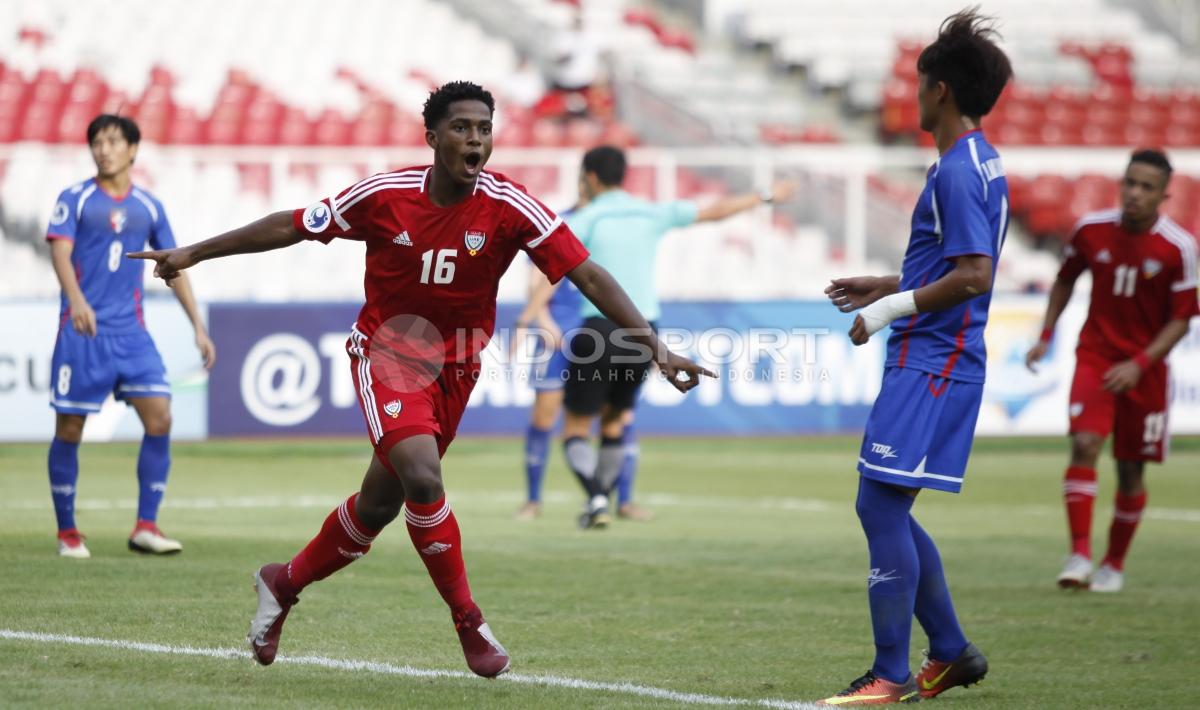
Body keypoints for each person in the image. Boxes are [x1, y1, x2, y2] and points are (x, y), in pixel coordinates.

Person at [130, 81, 713, 678]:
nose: (476, 139)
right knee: (422, 474)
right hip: (388, 351)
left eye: (484, 129)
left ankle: (282, 583)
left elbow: (586, 274)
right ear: (433, 138)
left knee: (378, 508)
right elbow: (293, 226)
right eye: (462, 128)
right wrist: (195, 253)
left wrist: (656, 347)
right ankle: (469, 621)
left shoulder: (512, 205)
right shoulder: (385, 194)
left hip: (457, 366)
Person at [818, 10, 1011, 704]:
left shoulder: (959, 173)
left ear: (942, 93)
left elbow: (974, 276)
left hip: (933, 361)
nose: (914, 92)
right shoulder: (979, 163)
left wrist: (886, 310)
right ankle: (952, 652)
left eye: (920, 82)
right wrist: (889, 281)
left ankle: (891, 674)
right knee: (888, 504)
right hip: (936, 356)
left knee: (879, 504)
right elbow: (951, 262)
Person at [531, 146, 793, 529]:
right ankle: (602, 499)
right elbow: (714, 211)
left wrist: (534, 313)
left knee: (574, 428)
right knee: (615, 423)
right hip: (644, 333)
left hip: (599, 330)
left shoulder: (586, 217)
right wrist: (766, 196)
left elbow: (550, 266)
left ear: (589, 177)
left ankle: (597, 497)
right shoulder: (651, 212)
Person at [1026, 149, 1197, 593]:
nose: (1135, 194)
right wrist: (1045, 335)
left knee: (1130, 471)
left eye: (1146, 187)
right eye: (1130, 183)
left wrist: (1140, 364)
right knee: (1084, 444)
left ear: (1164, 195)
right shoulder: (1090, 231)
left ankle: (1113, 564)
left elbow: (1182, 318)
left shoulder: (1179, 248)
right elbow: (1065, 279)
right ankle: (1079, 555)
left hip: (1147, 368)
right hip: (1096, 357)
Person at [46, 113, 215, 560]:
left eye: (113, 141)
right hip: (83, 331)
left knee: (160, 418)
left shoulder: (150, 207)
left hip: (131, 334)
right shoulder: (75, 199)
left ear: (133, 150)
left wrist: (197, 325)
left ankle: (146, 526)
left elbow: (175, 264)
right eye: (97, 141)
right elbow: (60, 252)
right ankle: (68, 534)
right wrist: (77, 300)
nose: (104, 148)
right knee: (69, 427)